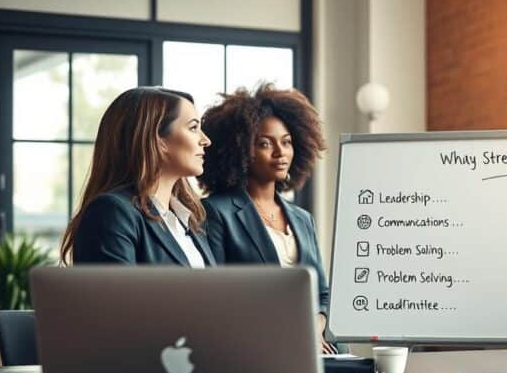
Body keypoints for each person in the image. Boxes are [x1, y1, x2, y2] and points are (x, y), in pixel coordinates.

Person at [198, 84, 338, 354]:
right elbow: (216, 297)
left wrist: (314, 327)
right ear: (239, 151)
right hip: (255, 349)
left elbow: (323, 294)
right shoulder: (215, 212)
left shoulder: (302, 218)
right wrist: (291, 333)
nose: (280, 152)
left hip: (318, 349)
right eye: (265, 143)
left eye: (286, 142)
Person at [61, 87, 215, 267]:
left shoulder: (190, 219)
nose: (205, 140)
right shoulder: (111, 213)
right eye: (193, 127)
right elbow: (115, 295)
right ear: (158, 139)